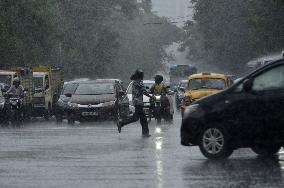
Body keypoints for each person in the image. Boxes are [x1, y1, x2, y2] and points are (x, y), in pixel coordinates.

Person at [117, 69, 153, 137]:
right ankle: (121, 123)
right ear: (140, 76)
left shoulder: (134, 82)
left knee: (143, 119)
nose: (143, 76)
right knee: (136, 118)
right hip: (138, 102)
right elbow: (144, 91)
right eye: (142, 75)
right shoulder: (139, 82)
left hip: (136, 102)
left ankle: (145, 133)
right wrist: (151, 97)